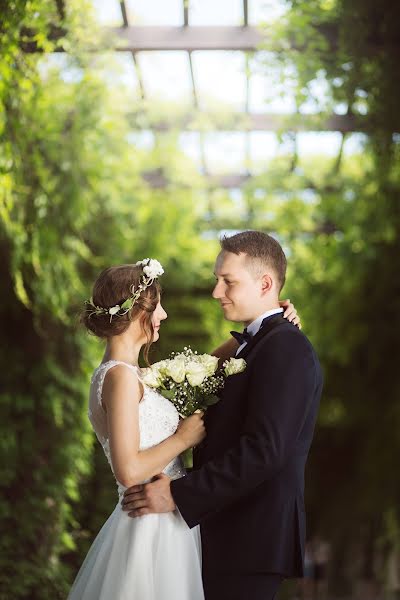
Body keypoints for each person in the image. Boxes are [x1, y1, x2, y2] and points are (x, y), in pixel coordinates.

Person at [122, 231, 323, 600]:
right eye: (217, 280)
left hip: (250, 539)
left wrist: (179, 495)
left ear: (265, 284)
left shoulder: (286, 347)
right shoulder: (259, 345)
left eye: (227, 281)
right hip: (228, 533)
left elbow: (265, 450)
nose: (217, 292)